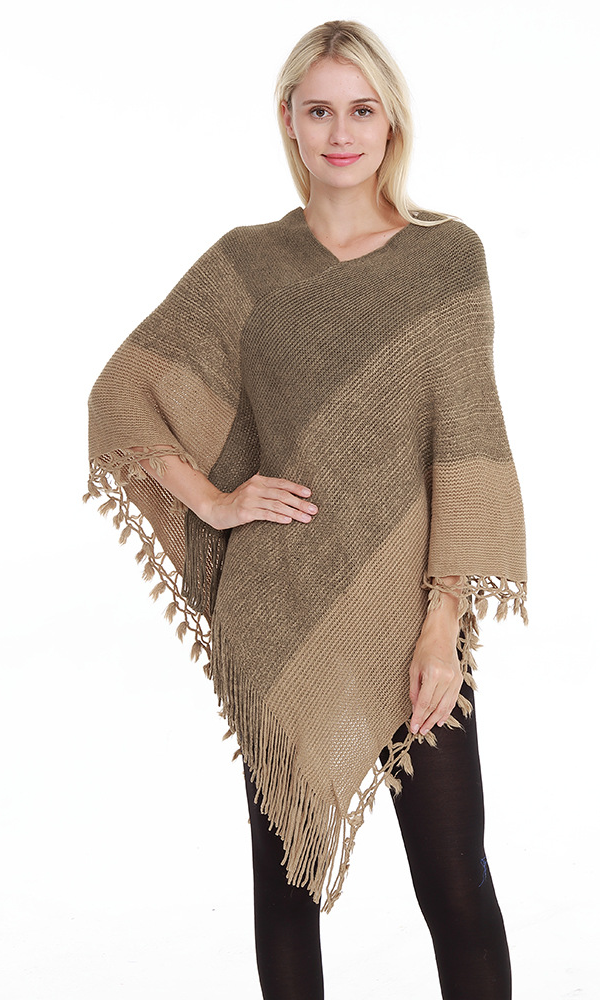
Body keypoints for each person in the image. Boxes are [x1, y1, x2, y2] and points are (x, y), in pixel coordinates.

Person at [84, 19, 528, 1000]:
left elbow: (465, 446)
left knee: (457, 884)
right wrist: (214, 499)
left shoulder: (446, 259)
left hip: (412, 617)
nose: (341, 132)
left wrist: (443, 623)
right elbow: (122, 392)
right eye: (319, 110)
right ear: (287, 119)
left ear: (390, 121)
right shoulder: (247, 264)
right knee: (284, 892)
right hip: (278, 611)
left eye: (361, 110)